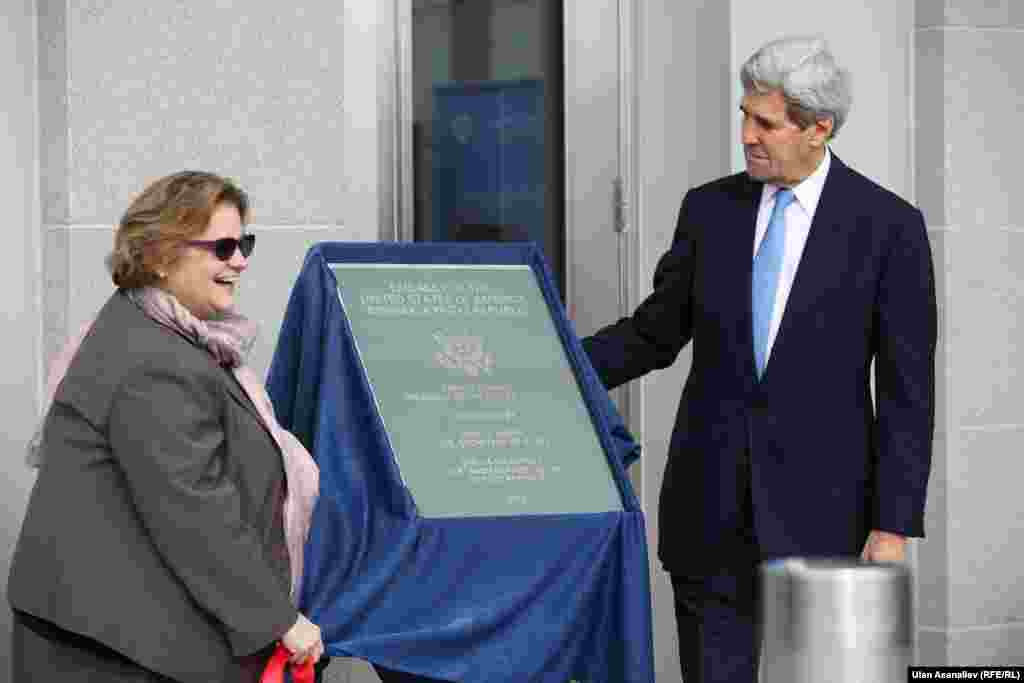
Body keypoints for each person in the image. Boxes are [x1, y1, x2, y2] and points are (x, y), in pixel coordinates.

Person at [582, 36, 936, 683]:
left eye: (765, 123)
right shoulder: (709, 210)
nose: (746, 135)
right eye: (745, 116)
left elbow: (907, 392)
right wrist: (555, 365)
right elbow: (653, 334)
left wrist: (892, 525)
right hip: (709, 511)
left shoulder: (888, 227)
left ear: (818, 128)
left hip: (828, 518)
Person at [9, 171, 323, 682]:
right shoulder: (154, 362)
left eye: (244, 244)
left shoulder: (154, 330)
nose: (240, 261)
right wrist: (279, 620)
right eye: (223, 247)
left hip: (129, 634)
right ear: (159, 256)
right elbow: (194, 512)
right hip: (113, 651)